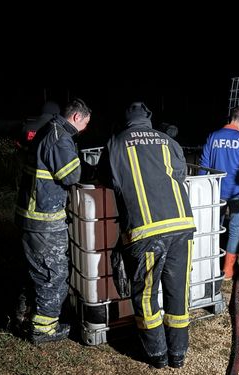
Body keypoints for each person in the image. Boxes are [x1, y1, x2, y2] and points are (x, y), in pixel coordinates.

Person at [99, 102, 196, 369]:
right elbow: (181, 173)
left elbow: (106, 179)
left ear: (126, 121)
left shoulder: (116, 143)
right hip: (182, 225)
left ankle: (157, 355)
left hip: (145, 230)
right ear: (149, 119)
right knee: (178, 291)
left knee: (146, 295)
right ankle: (178, 354)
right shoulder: (167, 141)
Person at [14, 98, 92, 344]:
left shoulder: (49, 129)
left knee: (34, 271)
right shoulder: (59, 138)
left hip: (31, 215)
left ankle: (24, 317)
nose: (85, 130)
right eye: (86, 124)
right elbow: (70, 175)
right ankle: (44, 329)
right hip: (44, 219)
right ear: (77, 117)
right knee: (53, 274)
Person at [199, 106, 239, 280]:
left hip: (216, 191)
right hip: (238, 193)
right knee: (234, 229)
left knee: (214, 229)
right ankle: (228, 270)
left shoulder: (213, 136)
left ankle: (210, 264)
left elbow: (204, 165)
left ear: (230, 118)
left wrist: (203, 188)